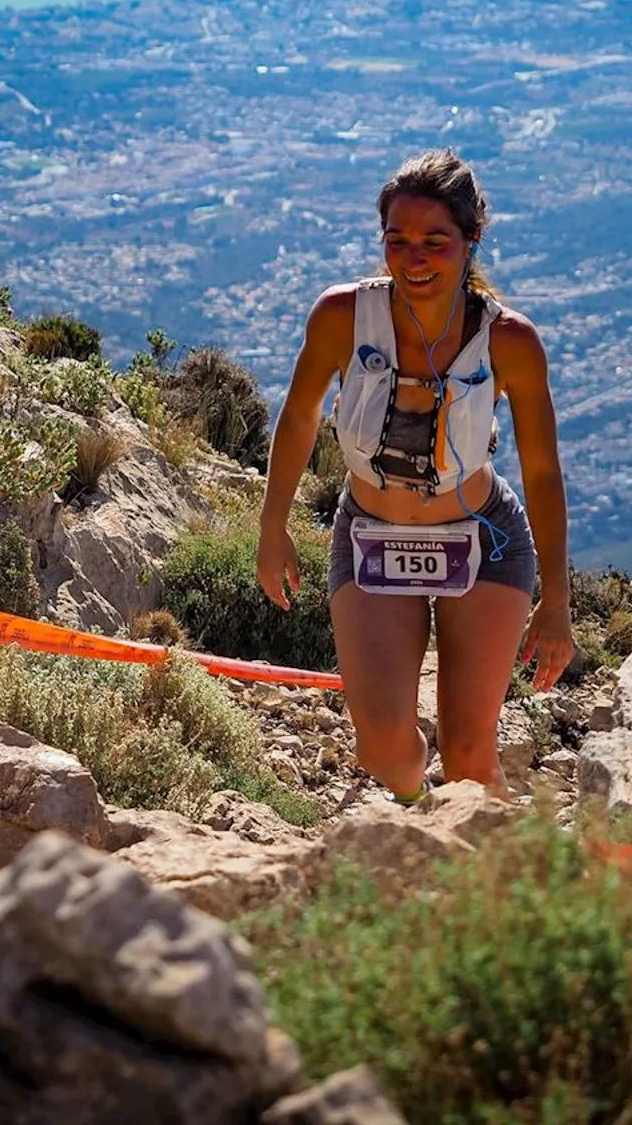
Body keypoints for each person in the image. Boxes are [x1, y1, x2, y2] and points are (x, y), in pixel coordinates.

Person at [256, 148, 574, 801]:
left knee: (469, 752)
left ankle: (482, 876)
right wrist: (272, 525)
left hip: (485, 540)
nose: (415, 258)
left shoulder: (511, 342)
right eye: (398, 241)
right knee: (382, 745)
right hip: (370, 532)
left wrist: (558, 600)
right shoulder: (341, 317)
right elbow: (297, 420)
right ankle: (422, 813)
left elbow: (542, 473)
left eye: (435, 241)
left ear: (471, 241)